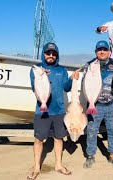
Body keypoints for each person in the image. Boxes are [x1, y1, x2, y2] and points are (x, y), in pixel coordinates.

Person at [28, 42, 79, 179]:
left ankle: (58, 165)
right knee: (39, 139)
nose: (51, 55)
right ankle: (37, 167)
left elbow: (66, 87)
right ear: (43, 54)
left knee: (59, 138)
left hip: (59, 111)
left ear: (57, 55)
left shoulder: (61, 70)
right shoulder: (36, 70)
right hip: (42, 111)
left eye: (53, 53)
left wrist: (71, 79)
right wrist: (42, 76)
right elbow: (34, 88)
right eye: (48, 53)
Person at [82, 40, 113, 168]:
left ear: (109, 52)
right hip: (95, 104)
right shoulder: (89, 65)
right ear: (95, 52)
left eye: (104, 49)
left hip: (112, 104)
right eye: (99, 50)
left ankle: (112, 154)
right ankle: (90, 155)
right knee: (91, 130)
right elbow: (85, 84)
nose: (102, 52)